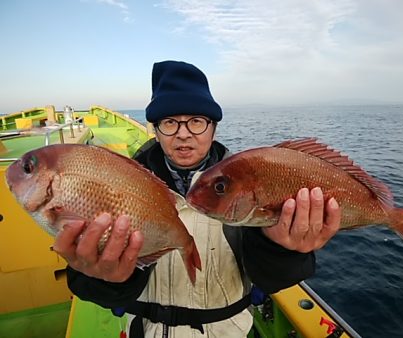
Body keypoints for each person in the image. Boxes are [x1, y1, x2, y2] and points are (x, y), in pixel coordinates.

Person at [53, 60, 341, 338]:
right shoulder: (119, 186)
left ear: (213, 126)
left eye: (196, 121)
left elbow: (272, 280)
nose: (183, 135)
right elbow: (90, 288)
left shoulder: (248, 188)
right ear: (155, 128)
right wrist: (104, 278)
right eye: (169, 122)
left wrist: (285, 251)